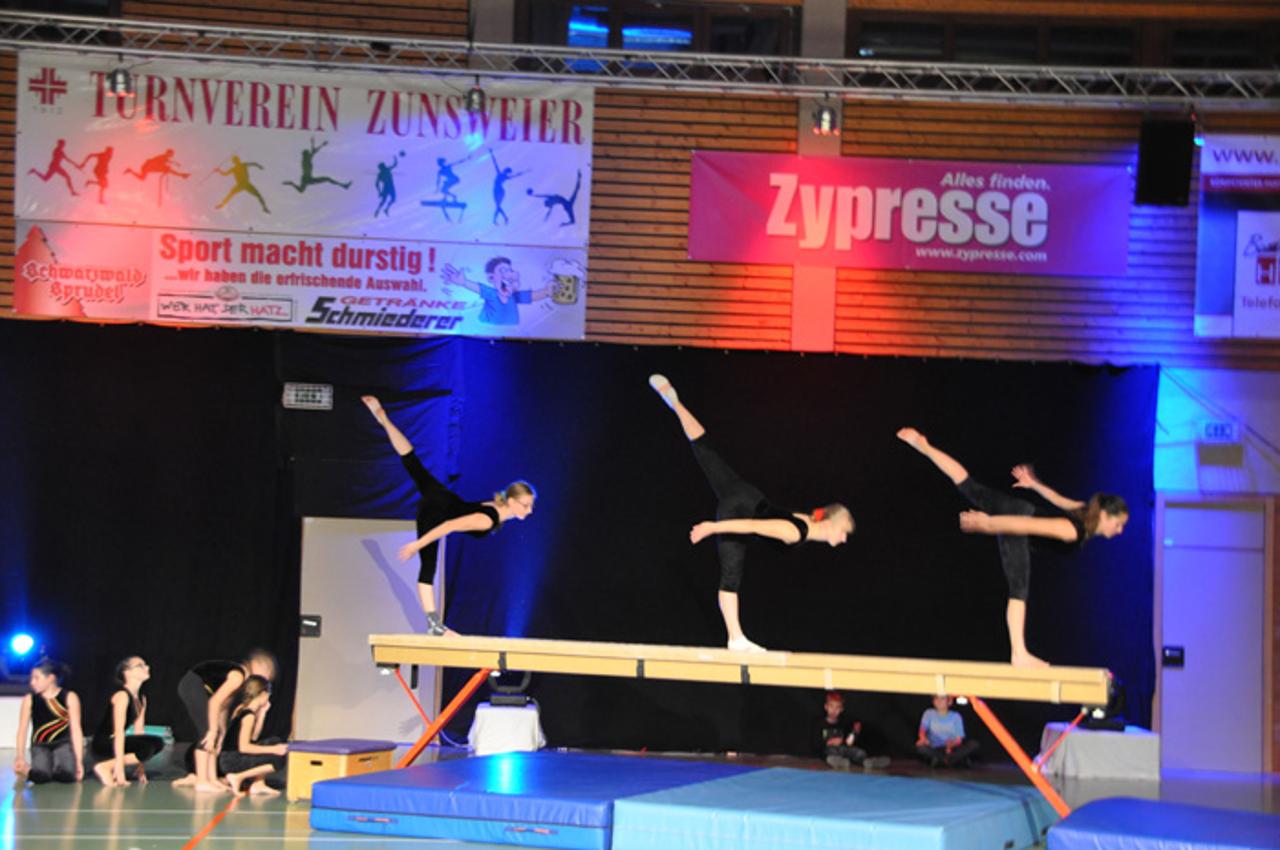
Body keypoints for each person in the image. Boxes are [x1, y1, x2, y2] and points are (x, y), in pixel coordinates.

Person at [649, 374, 855, 652]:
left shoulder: (809, 519)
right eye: (843, 532)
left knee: (707, 451)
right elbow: (751, 526)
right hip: (739, 509)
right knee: (731, 576)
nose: (843, 539)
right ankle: (735, 637)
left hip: (747, 493)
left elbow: (817, 512)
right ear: (830, 525)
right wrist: (712, 527)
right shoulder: (795, 532)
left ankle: (675, 403)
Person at [896, 428, 1127, 667]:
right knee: (1019, 588)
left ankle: (925, 447)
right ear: (1104, 515)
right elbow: (1024, 525)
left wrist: (1034, 484)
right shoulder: (1072, 531)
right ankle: (1019, 653)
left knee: (970, 485)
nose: (1120, 531)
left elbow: (1057, 499)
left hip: (1018, 508)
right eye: (1118, 524)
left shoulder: (1082, 510)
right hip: (1018, 522)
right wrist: (987, 524)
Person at [362, 395, 536, 635]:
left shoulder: (496, 505)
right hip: (436, 511)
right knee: (428, 565)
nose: (529, 510)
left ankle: (383, 419)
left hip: (443, 498)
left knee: (412, 462)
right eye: (526, 505)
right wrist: (417, 545)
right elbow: (450, 525)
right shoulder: (487, 519)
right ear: (513, 502)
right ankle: (434, 626)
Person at [172, 650, 277, 793]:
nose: (265, 679)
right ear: (255, 664)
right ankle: (202, 781)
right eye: (265, 672)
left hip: (203, 689)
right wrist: (213, 730)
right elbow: (215, 702)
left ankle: (212, 779)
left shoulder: (240, 682)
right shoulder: (237, 676)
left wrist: (221, 731)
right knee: (206, 734)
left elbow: (224, 705)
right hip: (191, 684)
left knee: (214, 737)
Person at [91, 656, 166, 786]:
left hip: (117, 740)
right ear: (127, 672)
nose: (147, 668)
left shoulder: (141, 699)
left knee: (157, 742)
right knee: (148, 747)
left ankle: (110, 765)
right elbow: (119, 732)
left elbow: (139, 733)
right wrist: (119, 767)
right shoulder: (122, 696)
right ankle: (105, 767)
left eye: (146, 665)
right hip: (103, 743)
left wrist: (140, 767)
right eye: (140, 665)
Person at [13, 658, 84, 784]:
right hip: (40, 745)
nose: (32, 682)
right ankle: (32, 770)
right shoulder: (30, 699)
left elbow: (76, 729)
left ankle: (57, 765)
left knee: (67, 775)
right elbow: (22, 729)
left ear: (51, 678)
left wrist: (79, 761)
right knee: (41, 776)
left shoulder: (69, 697)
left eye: (36, 678)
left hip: (63, 743)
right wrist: (20, 757)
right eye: (31, 678)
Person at [217, 675, 288, 796]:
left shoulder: (242, 709)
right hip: (231, 760)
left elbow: (254, 738)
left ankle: (258, 784)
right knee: (278, 759)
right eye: (269, 694)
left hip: (230, 757)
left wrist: (263, 713)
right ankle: (238, 777)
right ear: (263, 694)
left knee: (274, 741)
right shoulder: (248, 715)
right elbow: (244, 747)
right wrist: (274, 750)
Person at [441, 257, 553, 326]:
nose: (508, 274)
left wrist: (548, 291)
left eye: (510, 271)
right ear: (491, 278)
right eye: (502, 271)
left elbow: (533, 296)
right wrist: (463, 282)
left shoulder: (514, 296)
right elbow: (477, 287)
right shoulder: (491, 294)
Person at [819, 691, 890, 770]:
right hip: (830, 750)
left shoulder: (844, 722)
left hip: (844, 748)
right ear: (826, 707)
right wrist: (828, 743)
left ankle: (869, 762)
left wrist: (854, 733)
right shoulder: (820, 723)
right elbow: (816, 743)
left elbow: (849, 741)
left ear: (841, 709)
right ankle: (839, 762)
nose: (834, 710)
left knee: (857, 752)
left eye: (837, 707)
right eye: (831, 706)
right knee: (830, 751)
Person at [915, 695, 979, 768]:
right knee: (921, 748)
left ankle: (944, 760)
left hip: (952, 748)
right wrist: (923, 739)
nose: (939, 701)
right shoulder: (928, 713)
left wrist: (951, 745)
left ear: (949, 702)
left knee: (973, 744)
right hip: (935, 748)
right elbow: (922, 730)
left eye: (942, 699)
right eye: (936, 698)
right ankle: (946, 760)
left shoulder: (956, 716)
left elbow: (959, 739)